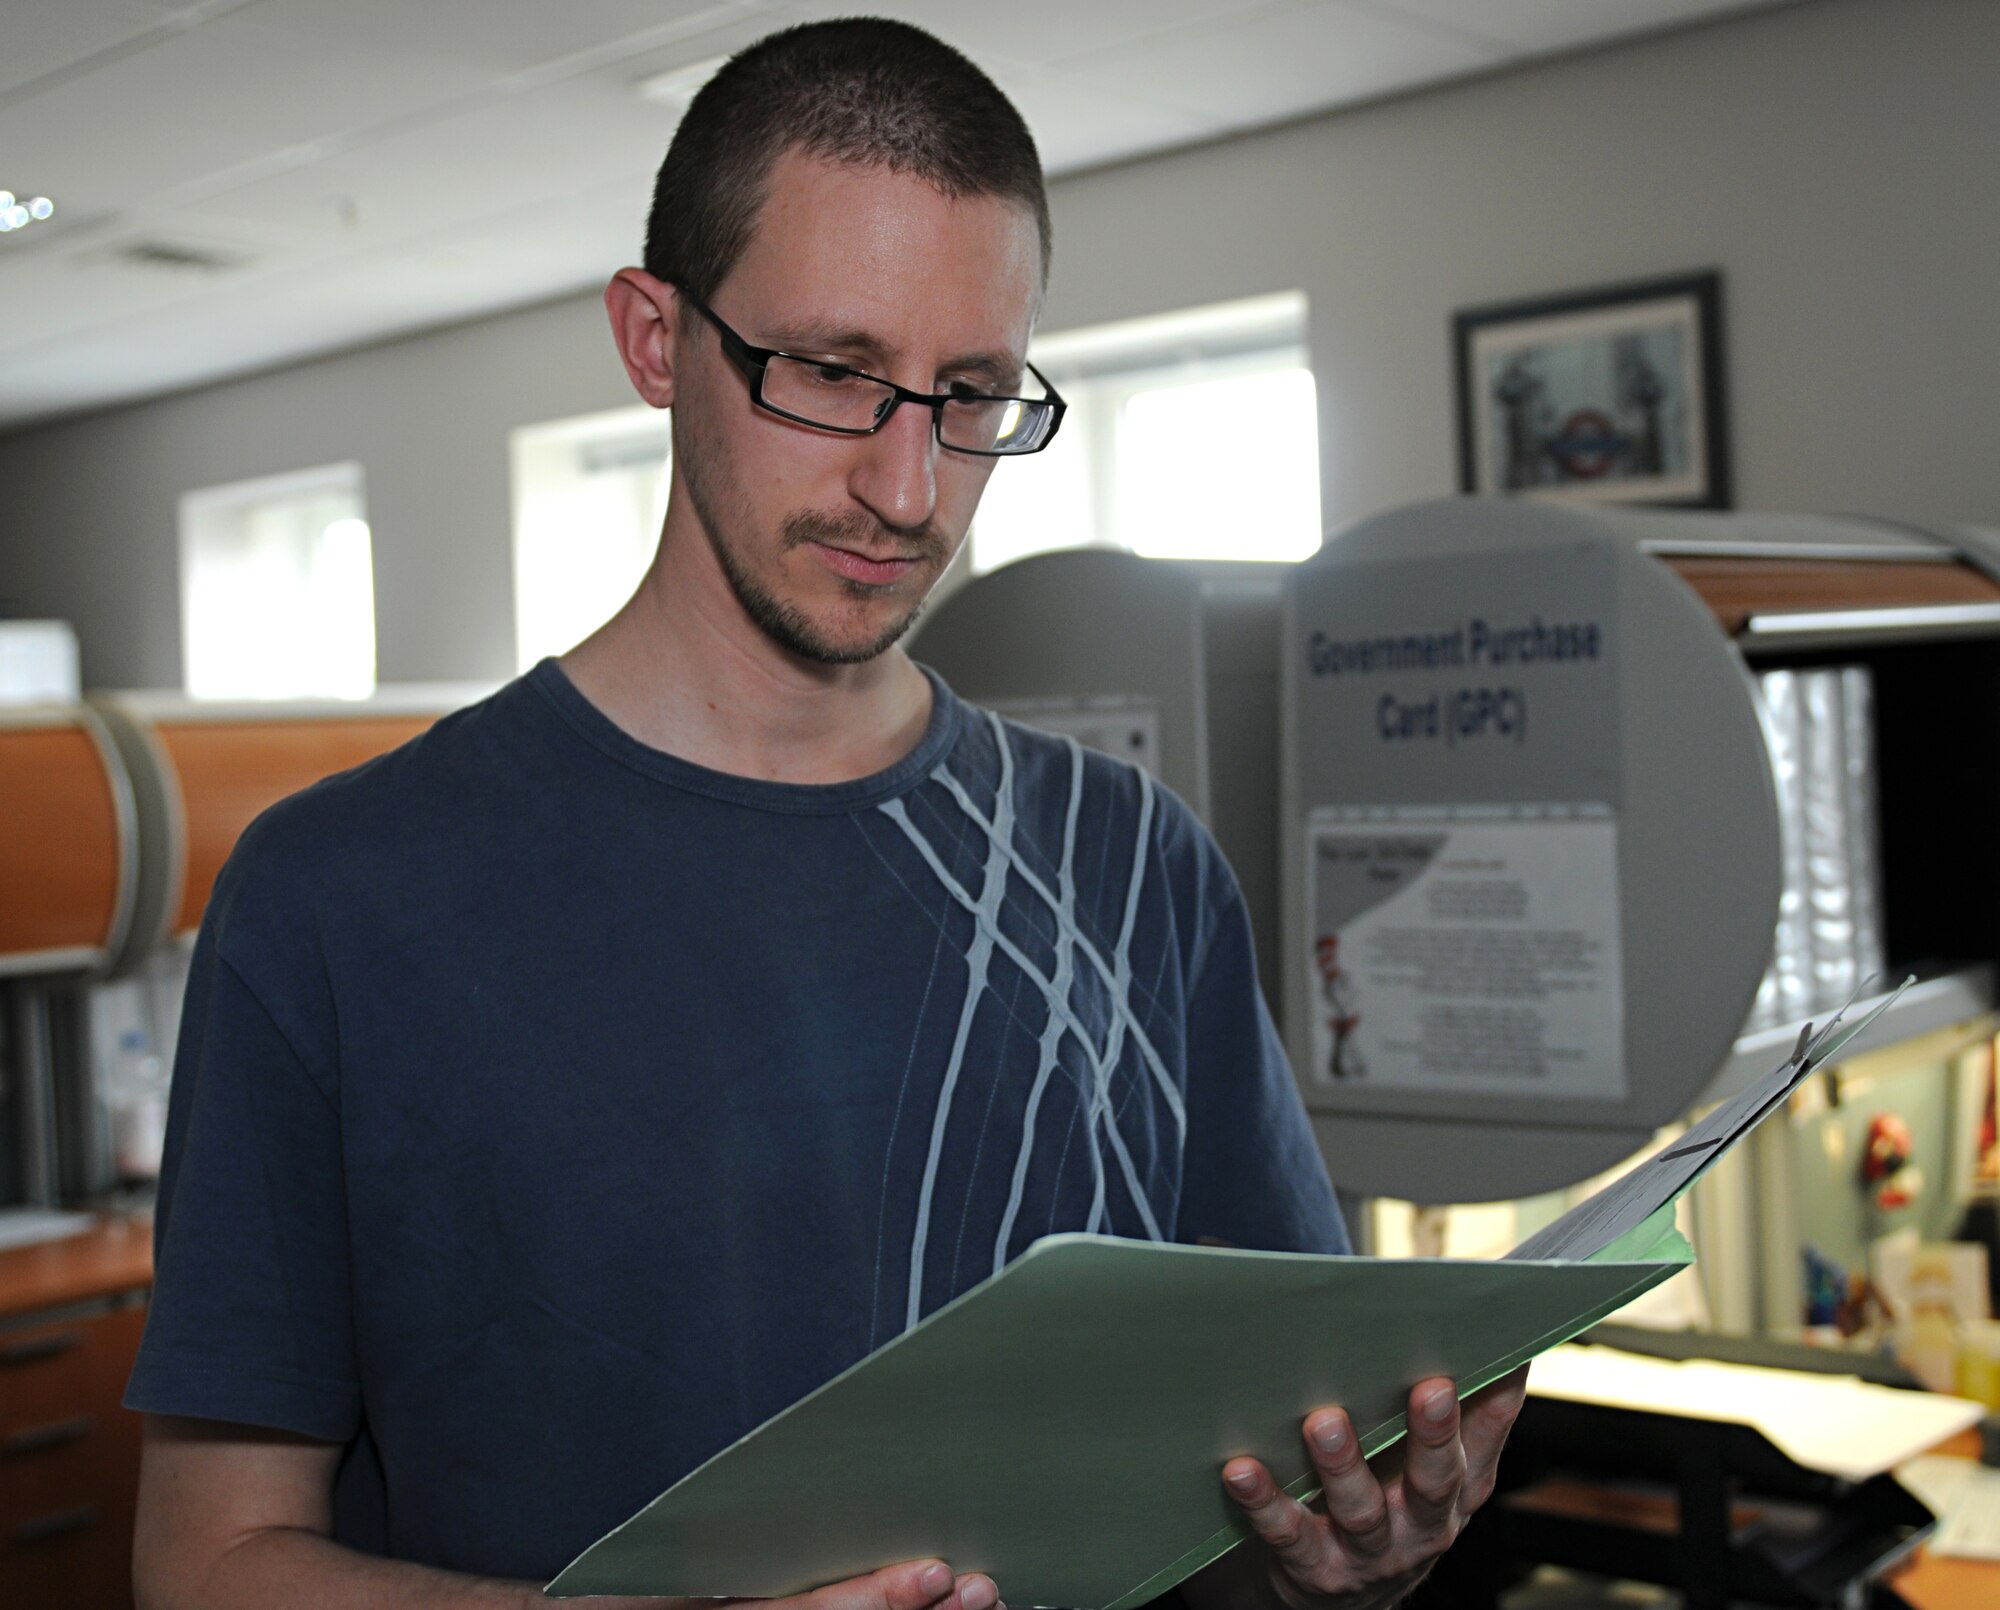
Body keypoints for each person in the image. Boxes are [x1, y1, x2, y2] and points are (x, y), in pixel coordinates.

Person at [126, 19, 1525, 1610]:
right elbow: (206, 1561)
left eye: (973, 393)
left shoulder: (1137, 869)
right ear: (656, 341)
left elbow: (1247, 1517)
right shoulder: (335, 896)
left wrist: (1353, 1553)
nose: (910, 487)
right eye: (837, 374)